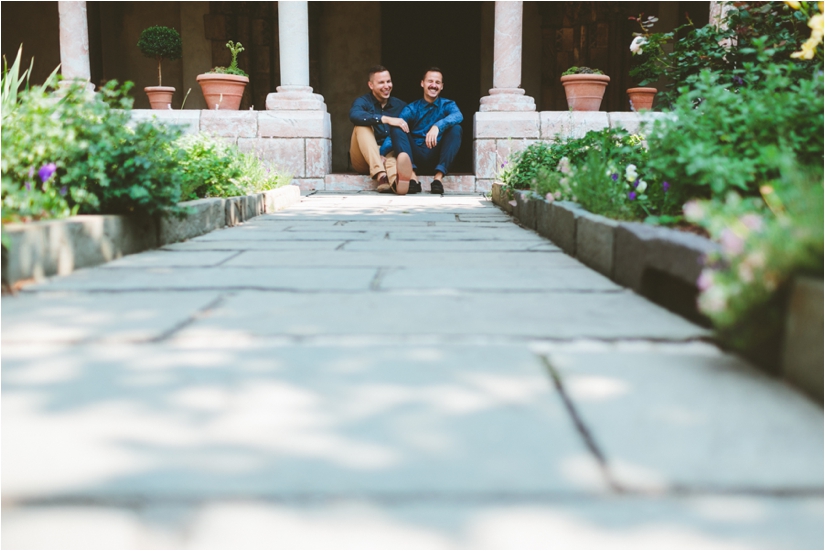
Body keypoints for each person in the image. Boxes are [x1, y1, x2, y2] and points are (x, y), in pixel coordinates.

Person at [389, 67, 463, 195]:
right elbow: (395, 134)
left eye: (437, 83)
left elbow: (458, 116)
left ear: (442, 86)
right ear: (422, 83)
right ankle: (412, 178)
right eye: (430, 81)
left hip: (437, 156)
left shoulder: (447, 104)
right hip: (414, 155)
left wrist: (437, 126)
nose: (433, 85)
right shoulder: (412, 108)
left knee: (456, 129)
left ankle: (437, 180)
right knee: (397, 126)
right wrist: (381, 153)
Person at [348, 65, 409, 194]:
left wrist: (382, 152)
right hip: (364, 159)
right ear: (371, 85)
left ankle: (395, 183)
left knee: (392, 159)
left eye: (388, 81)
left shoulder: (401, 106)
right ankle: (381, 174)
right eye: (381, 82)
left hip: (388, 154)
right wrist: (385, 119)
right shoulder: (363, 101)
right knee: (361, 125)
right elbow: (354, 115)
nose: (387, 86)